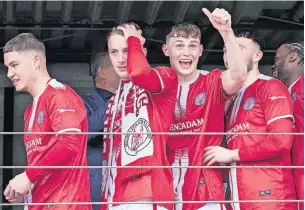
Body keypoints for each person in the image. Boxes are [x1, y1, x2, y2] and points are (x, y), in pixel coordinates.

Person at [162, 8, 248, 210]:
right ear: (166, 50)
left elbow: (238, 74)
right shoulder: (159, 85)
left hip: (205, 187)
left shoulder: (212, 80)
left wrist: (226, 31)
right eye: (179, 45)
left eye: (192, 46)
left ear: (200, 51)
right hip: (165, 185)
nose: (186, 52)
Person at [203, 29, 297, 210]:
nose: (230, 54)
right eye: (226, 49)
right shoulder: (231, 98)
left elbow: (281, 140)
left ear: (257, 56)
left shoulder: (271, 87)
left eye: (239, 48)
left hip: (272, 198)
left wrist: (231, 155)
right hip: (240, 199)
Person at [3, 33, 92, 210]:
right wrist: (26, 187)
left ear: (36, 60)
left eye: (14, 65)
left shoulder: (60, 95)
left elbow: (69, 143)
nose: (9, 74)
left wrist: (27, 177)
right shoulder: (30, 110)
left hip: (66, 203)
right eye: (7, 67)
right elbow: (41, 161)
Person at [101, 23, 178, 210]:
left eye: (127, 50)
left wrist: (133, 39)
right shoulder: (113, 102)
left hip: (147, 191)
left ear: (140, 51)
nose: (120, 59)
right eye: (114, 52)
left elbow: (139, 73)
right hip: (115, 194)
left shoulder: (166, 76)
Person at [84, 53, 120, 210]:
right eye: (118, 65)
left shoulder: (133, 104)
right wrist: (118, 99)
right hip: (95, 190)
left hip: (126, 188)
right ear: (103, 72)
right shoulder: (82, 103)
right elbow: (87, 129)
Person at [272, 41, 304, 210]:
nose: (273, 65)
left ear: (292, 57)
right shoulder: (288, 92)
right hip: (295, 174)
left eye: (277, 59)